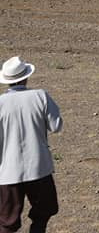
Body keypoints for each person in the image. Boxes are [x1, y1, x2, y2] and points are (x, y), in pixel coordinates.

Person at [0, 56, 63, 233]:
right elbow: (56, 126)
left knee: (7, 221)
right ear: (26, 77)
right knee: (43, 212)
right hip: (39, 168)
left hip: (8, 172)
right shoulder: (40, 96)